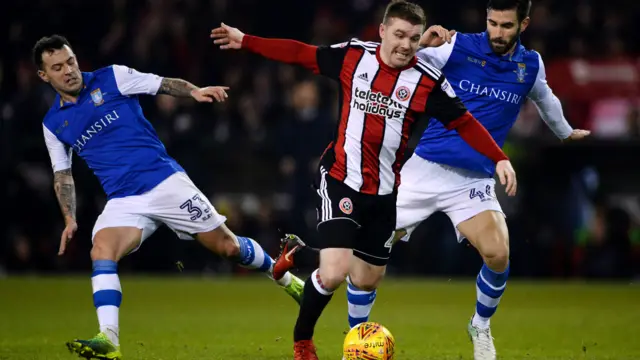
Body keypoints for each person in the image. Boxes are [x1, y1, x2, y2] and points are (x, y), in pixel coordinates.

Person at [211, 1, 517, 358]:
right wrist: (245, 40)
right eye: (399, 34)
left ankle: (300, 253)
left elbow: (464, 122)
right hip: (342, 178)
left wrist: (499, 157)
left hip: (385, 193)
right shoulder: (355, 57)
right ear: (383, 31)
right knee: (336, 271)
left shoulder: (427, 82)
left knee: (367, 278)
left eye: (414, 38)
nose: (405, 44)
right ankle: (303, 343)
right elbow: (300, 53)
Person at [341, 1, 591, 359]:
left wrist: (565, 133)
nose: (498, 32)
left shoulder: (530, 65)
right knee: (365, 267)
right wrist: (424, 45)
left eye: (506, 25)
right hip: (423, 170)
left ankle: (480, 326)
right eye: (492, 23)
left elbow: (545, 99)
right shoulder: (455, 46)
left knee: (498, 252)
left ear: (525, 24)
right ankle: (356, 337)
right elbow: (401, 67)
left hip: (472, 182)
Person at [34, 34, 304, 360]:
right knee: (102, 250)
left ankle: (288, 280)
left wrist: (193, 91)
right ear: (44, 75)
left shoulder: (111, 77)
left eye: (71, 61)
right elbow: (62, 174)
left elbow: (161, 84)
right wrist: (69, 218)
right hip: (123, 200)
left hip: (165, 183)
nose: (69, 71)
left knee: (229, 247)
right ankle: (109, 339)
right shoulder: (53, 124)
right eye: (58, 67)